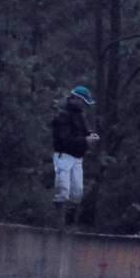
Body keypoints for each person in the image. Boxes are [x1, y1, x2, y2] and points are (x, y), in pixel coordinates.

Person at [51, 86, 99, 226]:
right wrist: (85, 140)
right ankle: (57, 223)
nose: (84, 104)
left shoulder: (80, 114)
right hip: (64, 156)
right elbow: (64, 139)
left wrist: (89, 135)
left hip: (77, 157)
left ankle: (69, 223)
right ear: (75, 99)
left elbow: (83, 131)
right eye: (83, 101)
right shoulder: (62, 115)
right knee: (62, 191)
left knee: (77, 193)